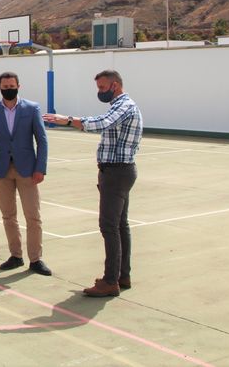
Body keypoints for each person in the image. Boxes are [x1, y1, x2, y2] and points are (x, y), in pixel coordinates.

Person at [43, 69, 143, 297]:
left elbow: (103, 123)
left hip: (116, 173)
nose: (99, 92)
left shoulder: (124, 106)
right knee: (120, 225)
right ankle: (121, 275)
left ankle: (110, 281)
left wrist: (69, 120)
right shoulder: (122, 105)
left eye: (102, 88)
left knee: (109, 226)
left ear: (115, 86)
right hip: (120, 171)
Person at [0, 72, 51, 276]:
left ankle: (36, 259)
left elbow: (42, 140)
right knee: (8, 216)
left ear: (19, 86)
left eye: (11, 85)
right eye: (4, 85)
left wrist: (40, 168)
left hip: (28, 171)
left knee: (33, 216)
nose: (8, 88)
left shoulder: (31, 108)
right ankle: (16, 256)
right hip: (1, 171)